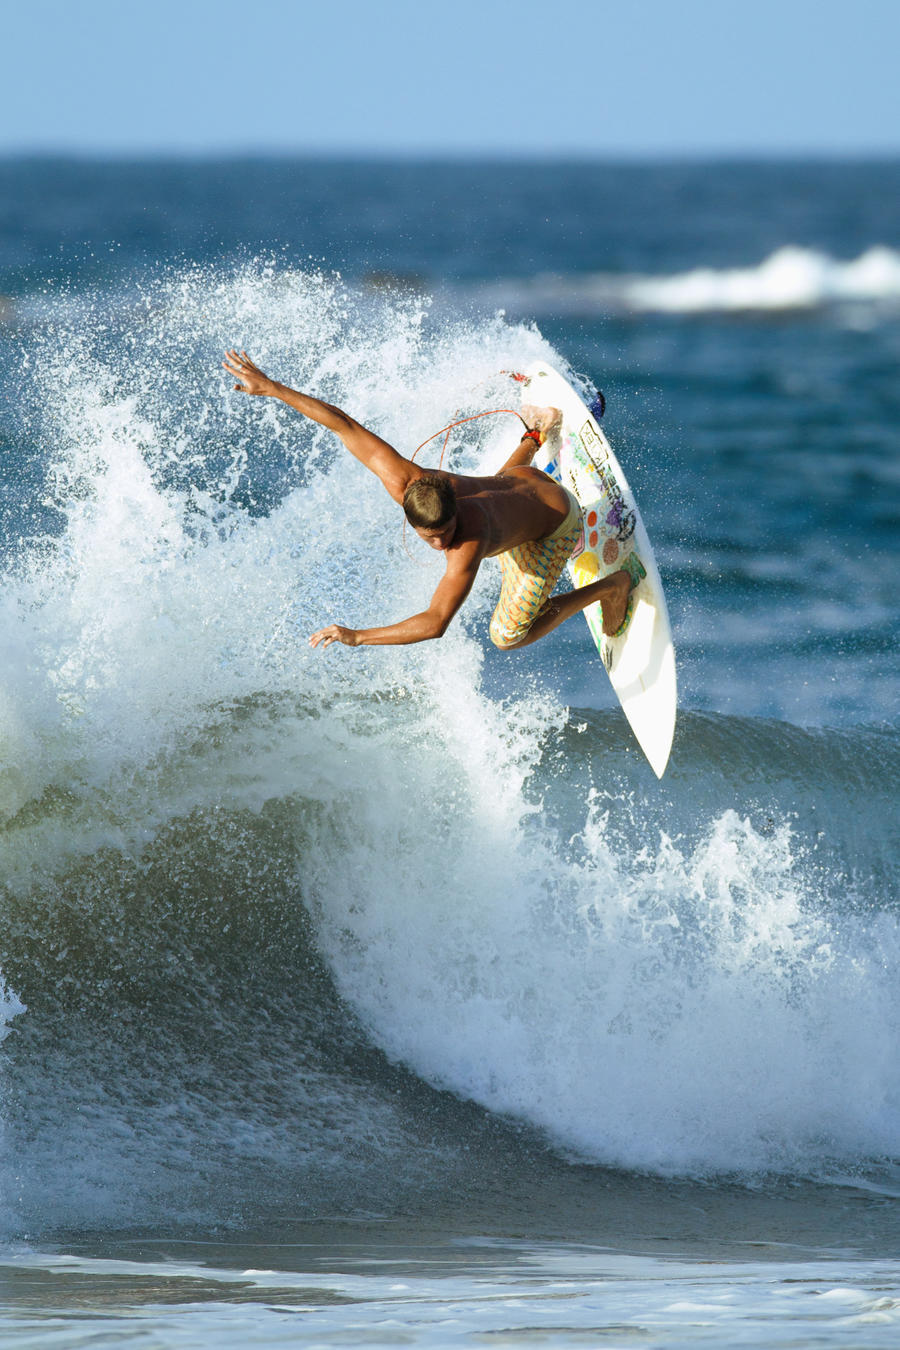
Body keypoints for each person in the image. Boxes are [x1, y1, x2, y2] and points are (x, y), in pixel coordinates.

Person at [223, 350, 642, 651]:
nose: (442, 545)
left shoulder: (469, 542)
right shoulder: (410, 480)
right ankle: (534, 434)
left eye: (446, 534)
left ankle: (612, 587)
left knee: (507, 636)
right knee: (497, 486)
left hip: (555, 522)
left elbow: (436, 623)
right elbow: (345, 426)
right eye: (431, 537)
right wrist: (274, 389)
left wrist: (357, 636)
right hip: (522, 480)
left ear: (454, 511)